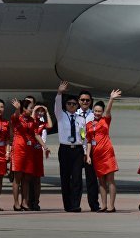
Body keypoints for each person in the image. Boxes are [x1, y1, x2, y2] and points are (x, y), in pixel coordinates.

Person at [85, 89, 121, 212]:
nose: (97, 113)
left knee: (110, 180)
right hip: (96, 155)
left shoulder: (105, 120)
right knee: (101, 181)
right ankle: (104, 205)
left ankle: (111, 206)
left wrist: (111, 99)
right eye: (95, 111)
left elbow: (108, 110)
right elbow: (89, 141)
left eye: (99, 111)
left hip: (107, 153)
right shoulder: (88, 124)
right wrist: (88, 155)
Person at [10, 99, 48, 211]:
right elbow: (15, 116)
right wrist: (17, 109)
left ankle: (24, 202)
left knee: (27, 178)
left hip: (29, 150)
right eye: (31, 108)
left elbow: (36, 134)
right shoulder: (17, 118)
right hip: (18, 149)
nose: (32, 110)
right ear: (24, 109)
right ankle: (16, 203)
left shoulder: (32, 120)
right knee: (17, 178)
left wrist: (45, 147)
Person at [55, 81, 87, 212]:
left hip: (77, 150)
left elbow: (83, 136)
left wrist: (85, 152)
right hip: (65, 149)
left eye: (74, 104)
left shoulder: (81, 119)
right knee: (65, 178)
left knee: (77, 178)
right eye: (69, 104)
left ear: (77, 105)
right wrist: (59, 93)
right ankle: (67, 205)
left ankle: (75, 204)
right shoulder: (61, 116)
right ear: (66, 105)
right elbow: (57, 106)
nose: (72, 106)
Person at [77, 89, 101, 212]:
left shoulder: (94, 115)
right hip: (77, 148)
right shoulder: (74, 114)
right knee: (76, 179)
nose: (85, 102)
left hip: (91, 150)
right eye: (82, 100)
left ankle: (94, 204)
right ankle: (75, 204)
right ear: (78, 101)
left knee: (91, 178)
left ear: (91, 102)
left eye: (87, 100)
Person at [30, 102, 53, 211]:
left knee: (37, 179)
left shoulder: (42, 123)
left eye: (41, 111)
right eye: (38, 111)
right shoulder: (30, 121)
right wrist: (34, 111)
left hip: (38, 152)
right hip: (29, 152)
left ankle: (36, 201)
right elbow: (31, 125)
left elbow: (50, 125)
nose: (40, 113)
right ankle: (28, 201)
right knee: (28, 178)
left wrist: (47, 111)